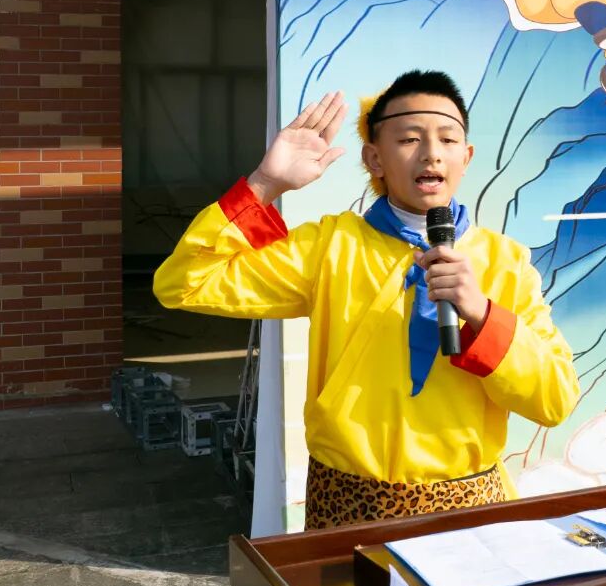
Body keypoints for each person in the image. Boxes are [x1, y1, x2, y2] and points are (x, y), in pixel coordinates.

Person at [153, 70, 580, 528]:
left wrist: (481, 313)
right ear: (374, 158)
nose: (432, 153)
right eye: (410, 139)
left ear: (466, 156)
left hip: (469, 506)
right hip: (347, 504)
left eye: (448, 139)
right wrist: (265, 185)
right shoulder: (330, 246)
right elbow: (184, 282)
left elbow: (554, 399)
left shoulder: (505, 262)